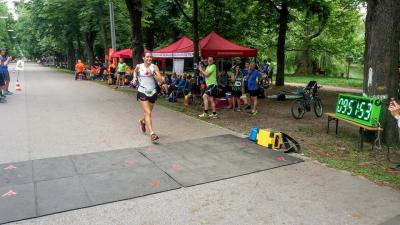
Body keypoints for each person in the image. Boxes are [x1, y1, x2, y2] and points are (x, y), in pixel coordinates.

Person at [132, 52, 165, 143]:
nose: (149, 58)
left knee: (148, 112)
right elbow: (134, 71)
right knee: (148, 112)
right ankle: (152, 133)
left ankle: (142, 121)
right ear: (143, 58)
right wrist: (134, 78)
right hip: (142, 91)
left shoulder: (154, 67)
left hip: (152, 92)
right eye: (147, 57)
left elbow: (160, 80)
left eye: (150, 57)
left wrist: (154, 74)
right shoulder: (139, 66)